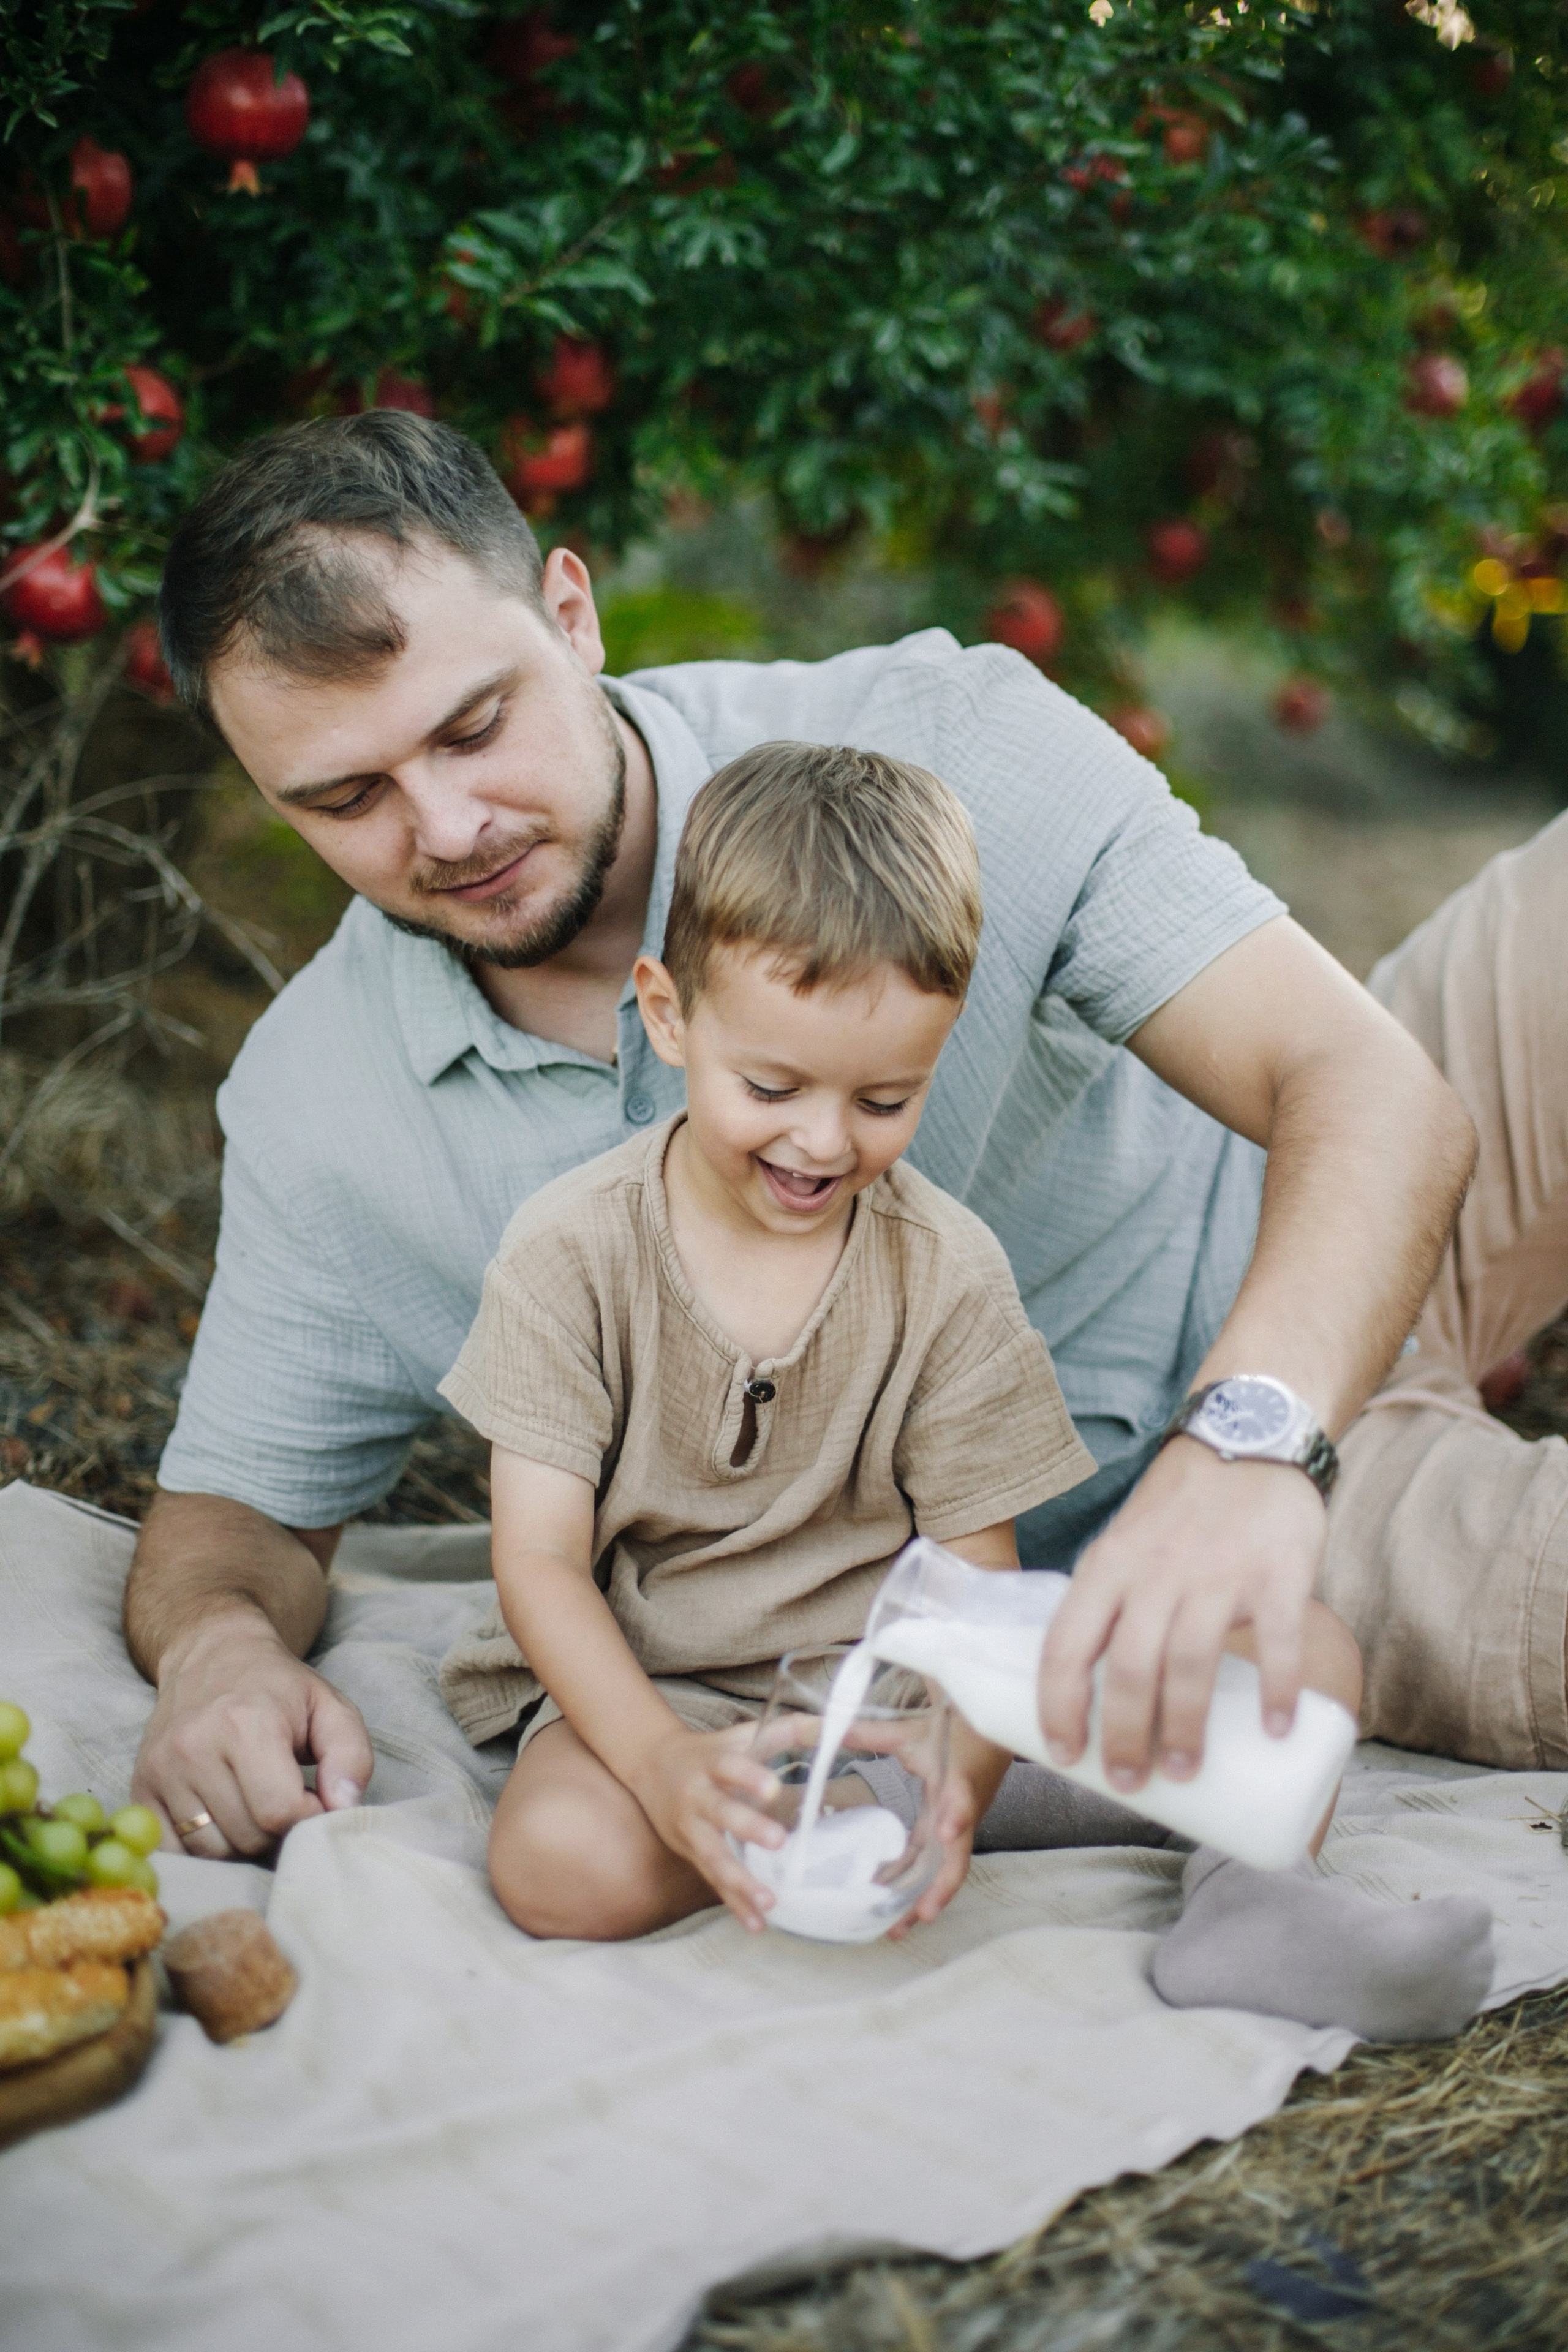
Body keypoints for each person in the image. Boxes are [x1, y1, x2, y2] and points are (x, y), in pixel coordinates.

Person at [129, 412, 1487, 1880]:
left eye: (473, 728)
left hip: (1289, 1357)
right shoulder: (318, 1105)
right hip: (1044, 1599)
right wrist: (216, 1653)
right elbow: (237, 1514)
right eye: (346, 798)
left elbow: (1370, 1089)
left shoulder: (947, 743)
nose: (448, 826)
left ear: (571, 615)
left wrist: (1244, 1448)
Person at [442, 741, 1096, 1936]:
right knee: (555, 1864)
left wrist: (954, 1773)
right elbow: (538, 1561)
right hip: (659, 1689)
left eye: (884, 1100)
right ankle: (812, 1822)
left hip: (886, 1701)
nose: (824, 1143)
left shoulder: (944, 1272)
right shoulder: (570, 1252)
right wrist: (658, 1764)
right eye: (774, 1089)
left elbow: (975, 1589)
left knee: (1282, 1674)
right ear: (669, 1015)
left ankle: (895, 1809)